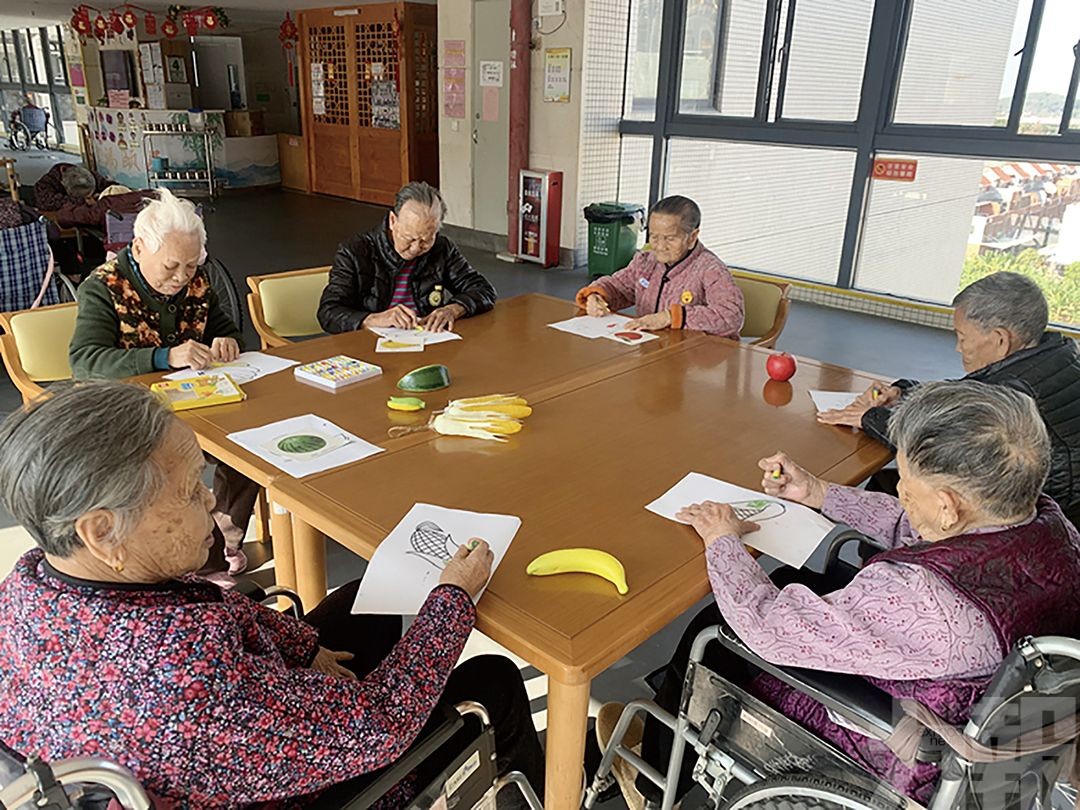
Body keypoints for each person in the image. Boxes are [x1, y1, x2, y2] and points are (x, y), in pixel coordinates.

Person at [0, 381, 544, 808]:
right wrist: (451, 599)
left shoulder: (30, 582)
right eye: (189, 491)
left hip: (218, 737)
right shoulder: (183, 685)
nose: (211, 497)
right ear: (102, 532)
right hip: (299, 789)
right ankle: (555, 786)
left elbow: (199, 602)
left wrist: (304, 647)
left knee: (370, 599)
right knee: (491, 678)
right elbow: (381, 724)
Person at [603, 381, 1080, 807]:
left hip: (892, 745)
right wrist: (819, 493)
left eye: (907, 487)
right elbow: (917, 530)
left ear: (947, 506)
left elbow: (766, 627)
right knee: (807, 585)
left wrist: (723, 540)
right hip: (992, 726)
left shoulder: (926, 599)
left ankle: (652, 782)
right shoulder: (1050, 525)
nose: (902, 496)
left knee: (715, 630)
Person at [68, 188, 252, 576]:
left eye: (190, 266)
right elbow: (85, 361)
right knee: (174, 469)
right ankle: (207, 563)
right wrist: (163, 356)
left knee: (251, 449)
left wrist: (227, 341)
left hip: (194, 402)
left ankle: (225, 532)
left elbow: (228, 331)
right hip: (129, 413)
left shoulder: (197, 283)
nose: (182, 277)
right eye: (172, 266)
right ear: (138, 247)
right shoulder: (103, 287)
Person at [818, 272, 1080, 525]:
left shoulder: (1010, 392)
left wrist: (869, 416)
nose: (958, 347)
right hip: (1056, 513)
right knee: (886, 482)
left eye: (962, 337)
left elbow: (938, 444)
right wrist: (903, 392)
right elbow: (962, 399)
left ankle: (893, 566)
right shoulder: (1058, 358)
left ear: (1000, 339)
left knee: (897, 491)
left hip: (1031, 519)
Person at [318, 181, 497, 334]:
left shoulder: (441, 248)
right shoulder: (355, 252)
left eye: (426, 240)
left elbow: (483, 289)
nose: (415, 249)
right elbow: (329, 312)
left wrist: (453, 309)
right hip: (371, 345)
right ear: (393, 221)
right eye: (409, 238)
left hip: (426, 340)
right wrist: (373, 319)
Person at [574, 196, 744, 338]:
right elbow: (618, 287)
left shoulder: (710, 269)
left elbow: (731, 316)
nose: (660, 246)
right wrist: (596, 296)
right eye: (654, 237)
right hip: (653, 346)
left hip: (698, 359)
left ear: (692, 237)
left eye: (670, 238)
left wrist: (670, 317)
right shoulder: (646, 261)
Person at [33, 163, 113, 212]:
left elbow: (113, 187)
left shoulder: (87, 175)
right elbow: (47, 203)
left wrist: (101, 196)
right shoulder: (45, 183)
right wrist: (83, 201)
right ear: (63, 184)